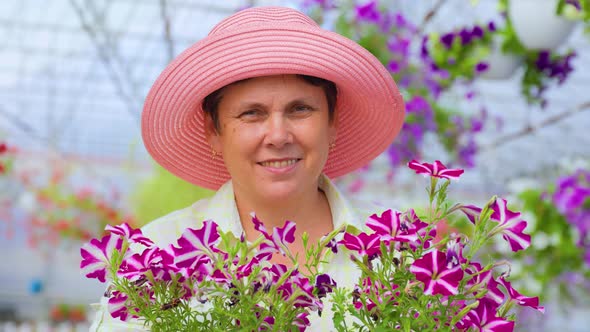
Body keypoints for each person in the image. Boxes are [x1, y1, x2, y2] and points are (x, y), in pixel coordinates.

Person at [90, 5, 405, 331]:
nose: (279, 136)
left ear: (333, 123)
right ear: (213, 132)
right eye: (251, 114)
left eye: (300, 109)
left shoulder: (401, 249)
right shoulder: (156, 254)